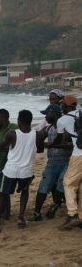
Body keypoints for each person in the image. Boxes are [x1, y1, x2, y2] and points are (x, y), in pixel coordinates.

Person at [0, 110, 45, 232]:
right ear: (30, 121)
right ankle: (20, 217)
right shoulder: (38, 135)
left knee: (2, 195)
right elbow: (40, 150)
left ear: (19, 121)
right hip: (26, 171)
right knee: (24, 192)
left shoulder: (12, 134)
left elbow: (2, 147)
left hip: (10, 170)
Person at [29, 104, 72, 221]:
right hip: (52, 163)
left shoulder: (66, 127)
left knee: (60, 184)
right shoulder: (48, 128)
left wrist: (51, 144)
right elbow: (39, 140)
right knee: (43, 186)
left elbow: (70, 145)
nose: (45, 117)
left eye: (46, 114)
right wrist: (38, 139)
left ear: (54, 113)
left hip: (67, 161)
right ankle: (37, 213)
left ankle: (55, 205)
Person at [57, 94, 82, 230]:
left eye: (63, 104)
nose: (62, 106)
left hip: (78, 154)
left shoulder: (62, 120)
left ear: (70, 105)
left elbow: (60, 139)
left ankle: (72, 214)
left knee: (69, 183)